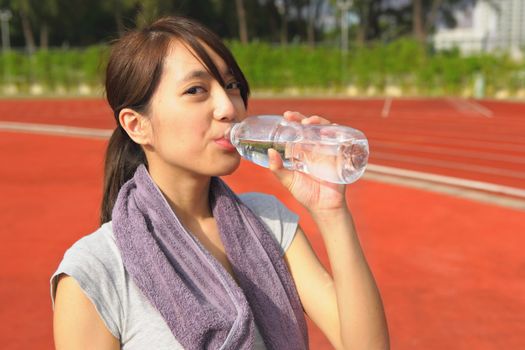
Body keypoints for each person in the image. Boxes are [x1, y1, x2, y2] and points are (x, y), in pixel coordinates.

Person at [51, 16, 389, 350]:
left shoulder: (269, 222)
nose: (229, 107)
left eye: (231, 86)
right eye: (196, 90)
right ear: (136, 125)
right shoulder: (96, 271)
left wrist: (332, 212)